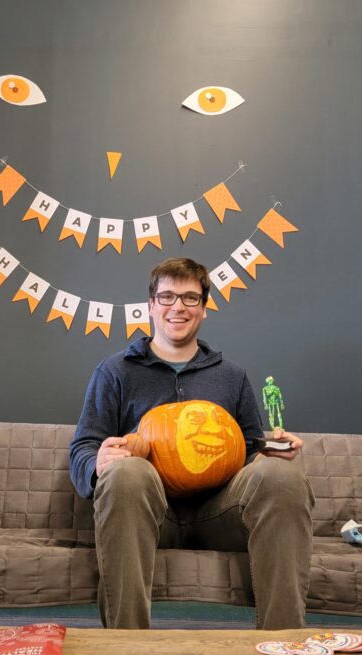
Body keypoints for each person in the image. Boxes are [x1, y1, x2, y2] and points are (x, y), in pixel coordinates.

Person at [69, 257, 315, 630]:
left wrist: (274, 451)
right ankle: (127, 645)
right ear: (151, 305)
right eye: (167, 297)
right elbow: (82, 448)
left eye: (189, 298)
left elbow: (249, 451)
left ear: (204, 308)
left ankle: (284, 642)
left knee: (282, 476)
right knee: (128, 472)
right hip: (150, 512)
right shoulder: (115, 372)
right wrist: (97, 462)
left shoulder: (231, 377)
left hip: (221, 513)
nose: (177, 307)